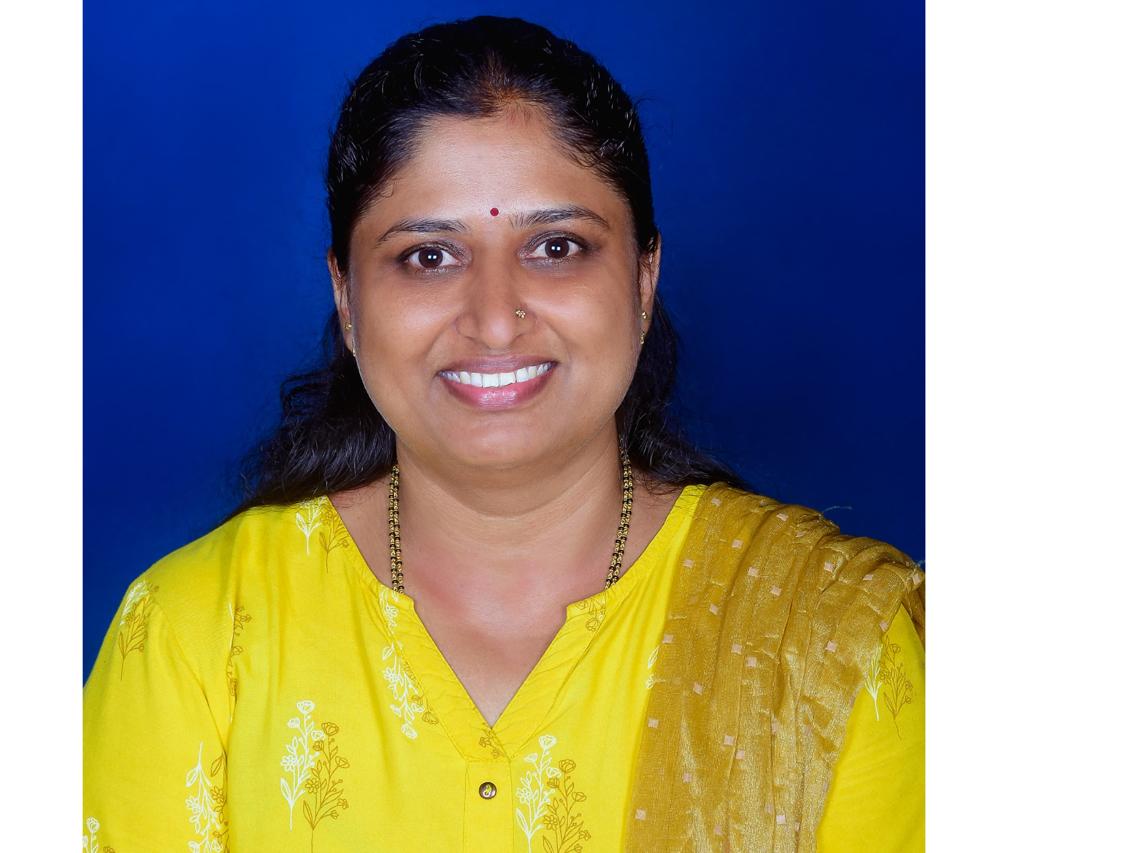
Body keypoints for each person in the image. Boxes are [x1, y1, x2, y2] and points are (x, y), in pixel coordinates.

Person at [83, 15, 924, 852]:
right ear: (346, 297)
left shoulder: (828, 644)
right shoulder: (197, 637)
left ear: (643, 278)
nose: (493, 319)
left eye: (556, 247)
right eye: (429, 256)